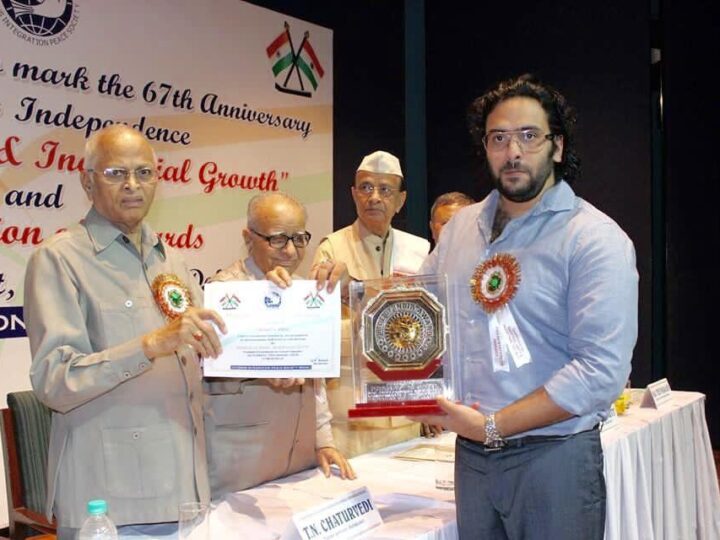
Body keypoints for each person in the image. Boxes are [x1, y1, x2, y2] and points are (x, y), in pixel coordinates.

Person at [417, 75, 638, 539]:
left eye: (529, 135)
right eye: (498, 138)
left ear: (557, 146)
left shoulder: (594, 239)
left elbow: (600, 370)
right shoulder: (459, 229)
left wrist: (492, 426)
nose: (512, 152)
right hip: (472, 458)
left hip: (553, 459)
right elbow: (418, 312)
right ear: (485, 147)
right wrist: (339, 292)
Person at [24, 125, 227, 539]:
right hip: (112, 505)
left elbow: (200, 360)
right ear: (87, 181)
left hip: (186, 488)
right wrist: (149, 345)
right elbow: (53, 380)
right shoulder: (58, 259)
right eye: (116, 173)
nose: (133, 184)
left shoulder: (170, 258)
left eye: (144, 173)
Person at [204, 192, 355, 498]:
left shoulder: (302, 292)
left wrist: (323, 440)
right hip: (242, 465)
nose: (290, 251)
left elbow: (316, 381)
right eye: (277, 239)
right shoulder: (223, 293)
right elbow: (211, 367)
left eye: (299, 239)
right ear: (248, 238)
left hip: (298, 457)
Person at [312, 150, 432, 457]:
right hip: (350, 416)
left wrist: (429, 401)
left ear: (401, 200)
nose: (374, 197)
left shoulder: (419, 250)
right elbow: (317, 333)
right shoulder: (331, 249)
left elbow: (428, 331)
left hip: (405, 411)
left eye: (385, 189)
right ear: (354, 194)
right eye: (365, 187)